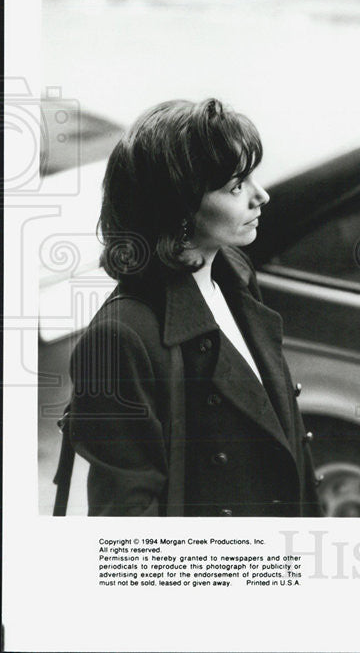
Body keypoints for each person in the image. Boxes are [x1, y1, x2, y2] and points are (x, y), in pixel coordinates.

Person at [60, 98, 321, 516]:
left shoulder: (235, 274)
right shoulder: (119, 337)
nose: (262, 195)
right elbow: (128, 531)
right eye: (236, 186)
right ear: (179, 205)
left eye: (252, 177)